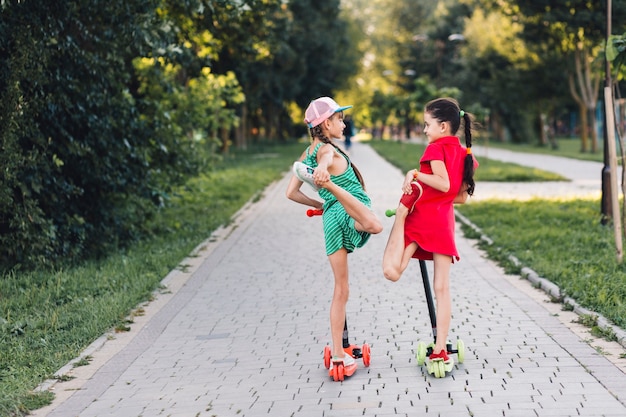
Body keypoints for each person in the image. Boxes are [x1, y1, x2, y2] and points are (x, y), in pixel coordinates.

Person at [286, 96, 383, 378]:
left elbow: (290, 193)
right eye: (339, 118)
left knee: (341, 289)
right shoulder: (327, 150)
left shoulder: (307, 154)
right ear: (326, 123)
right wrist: (323, 169)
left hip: (330, 221)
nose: (343, 122)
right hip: (348, 214)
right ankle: (339, 354)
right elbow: (325, 159)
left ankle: (338, 356)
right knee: (374, 225)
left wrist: (321, 204)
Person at [382, 97, 478, 367]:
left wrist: (414, 174)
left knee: (392, 271)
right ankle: (439, 349)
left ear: (443, 126)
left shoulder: (434, 149)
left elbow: (443, 183)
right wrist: (439, 198)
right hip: (443, 224)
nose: (424, 130)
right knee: (442, 289)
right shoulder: (465, 155)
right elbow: (458, 197)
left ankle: (398, 220)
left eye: (427, 125)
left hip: (421, 221)